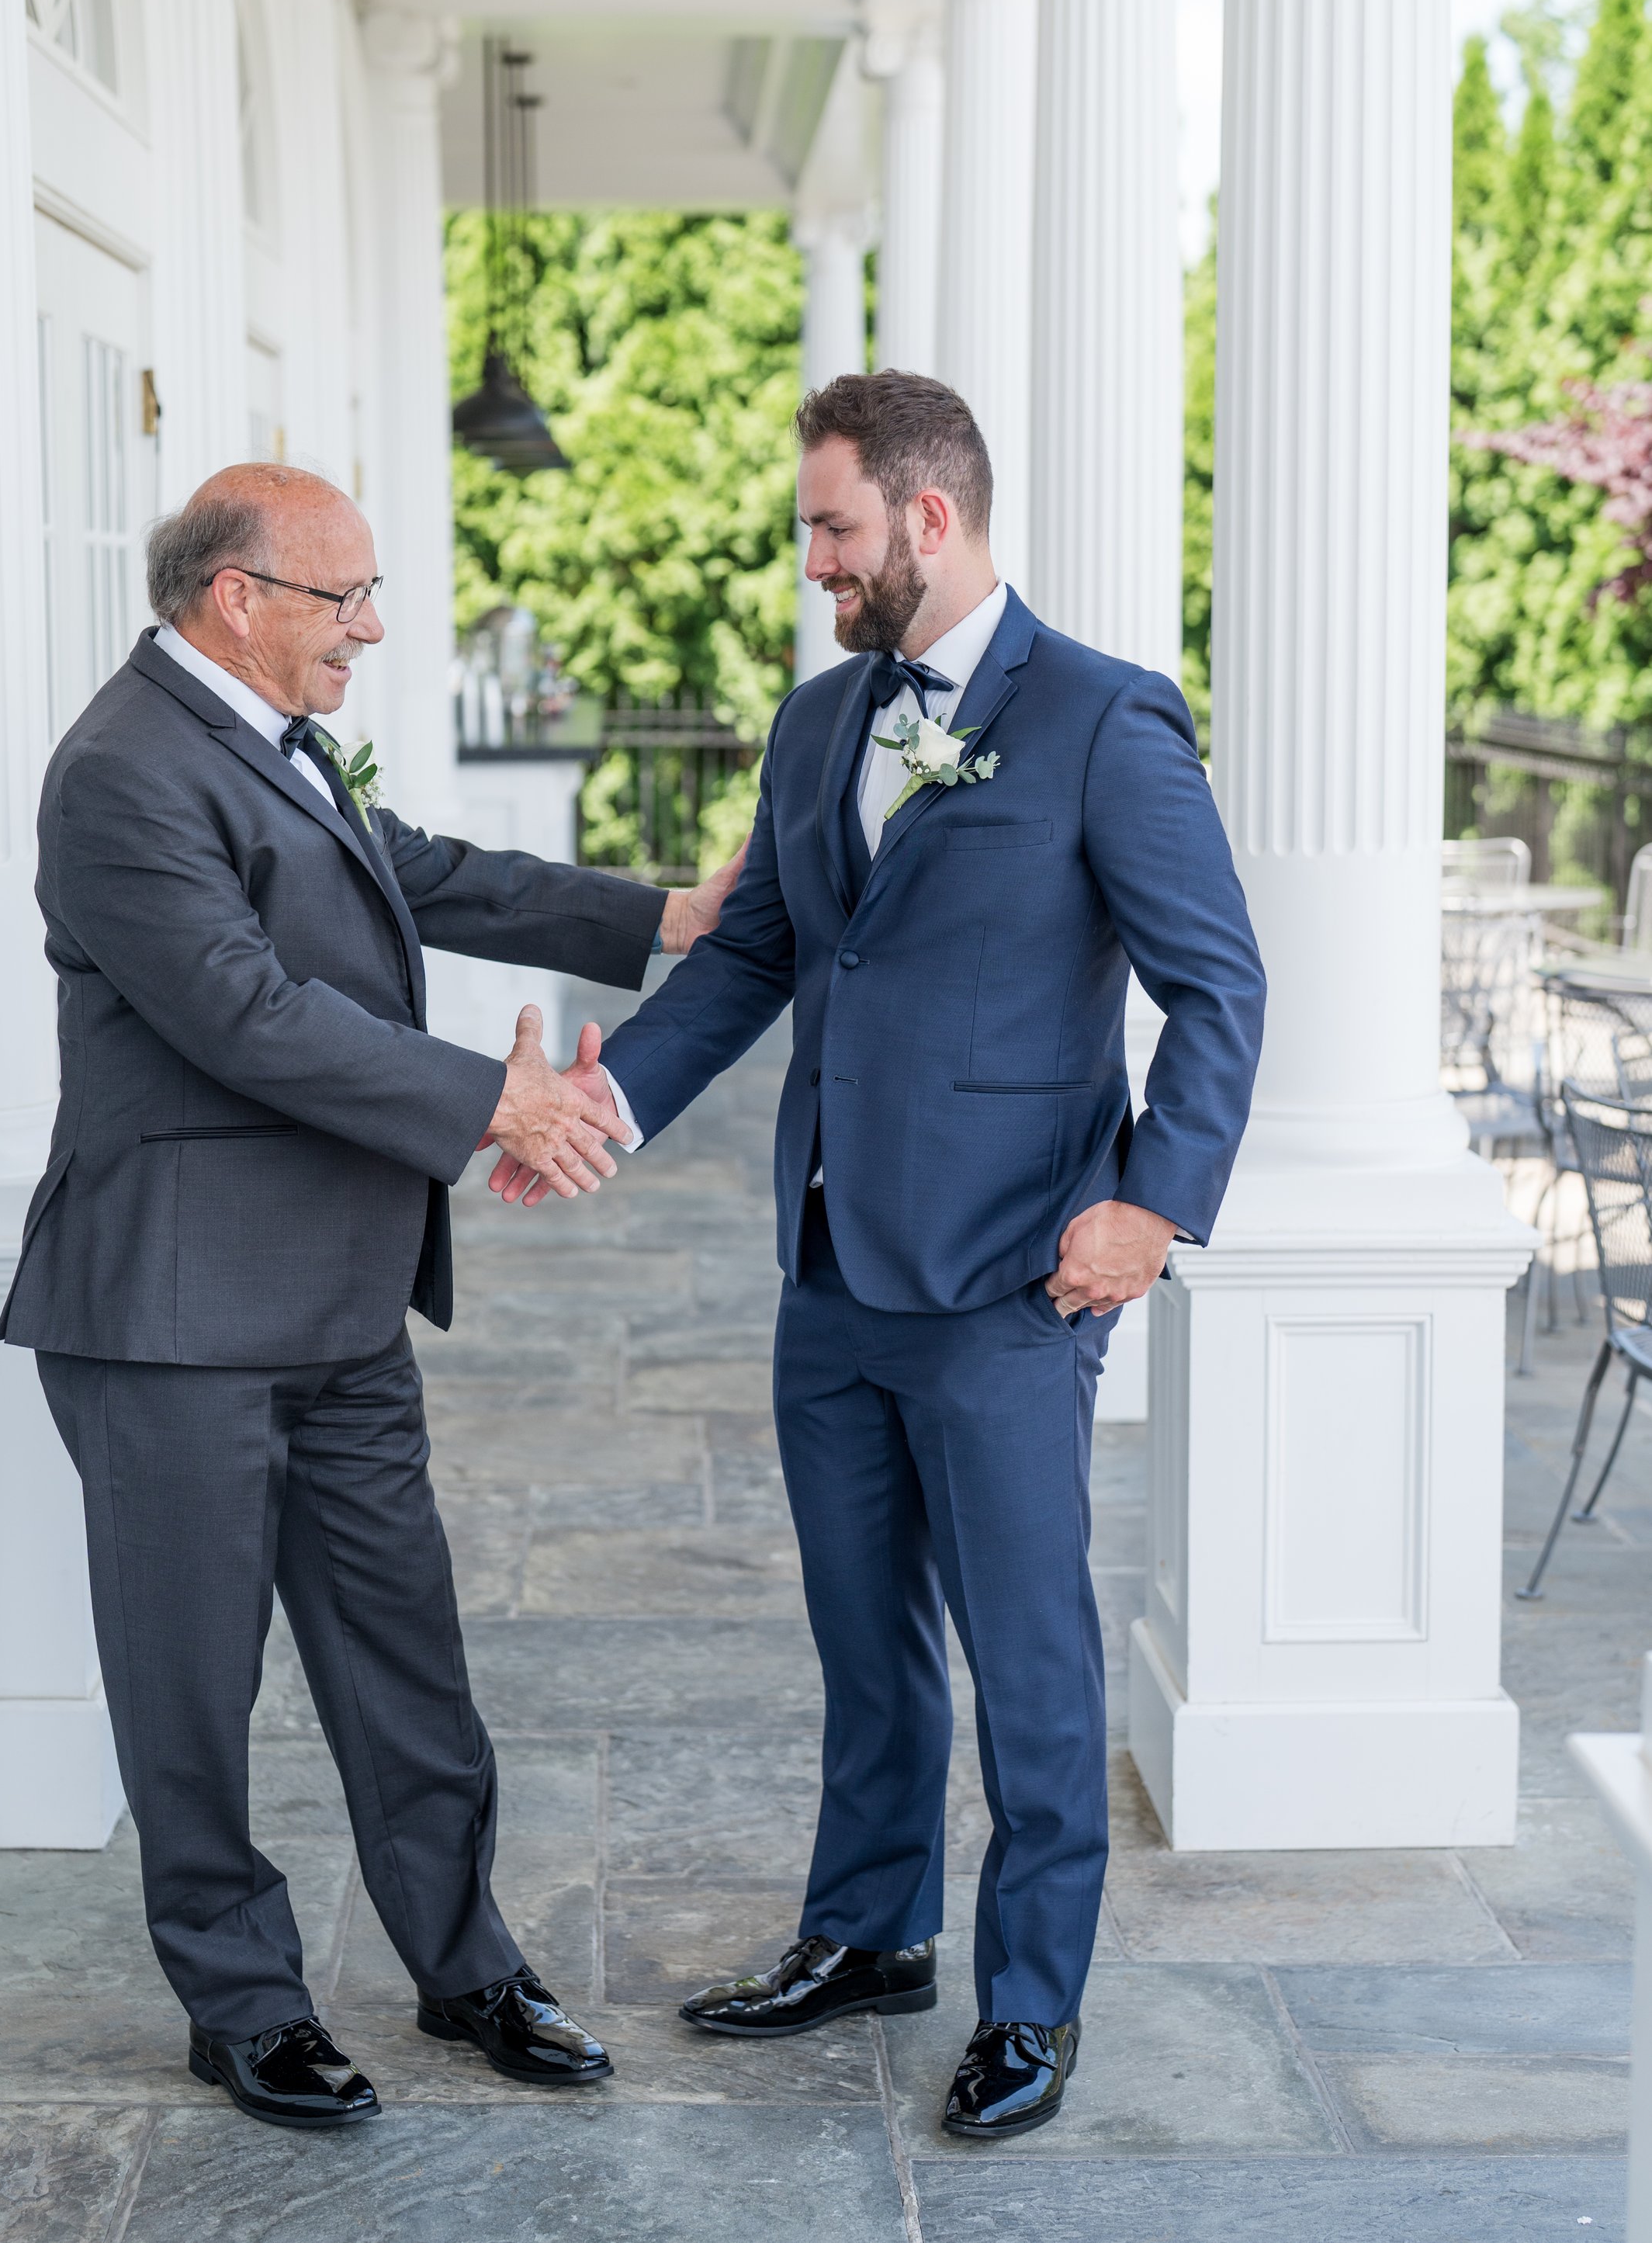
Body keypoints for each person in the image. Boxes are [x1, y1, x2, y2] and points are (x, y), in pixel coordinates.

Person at [489, 373, 1266, 2139]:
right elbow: (756, 953)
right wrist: (597, 1117)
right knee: (865, 1639)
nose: (812, 564)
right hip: (831, 1266)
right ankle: (866, 1934)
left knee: (1028, 1654)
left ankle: (1032, 2008)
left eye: (832, 529)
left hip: (1008, 1278)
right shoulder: (815, 721)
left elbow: (1218, 984)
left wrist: (1151, 1203)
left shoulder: (1099, 718)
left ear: (928, 517)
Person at [0, 463, 742, 2130]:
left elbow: (405, 866)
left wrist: (661, 914)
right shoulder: (118, 772)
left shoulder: (262, 733)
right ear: (234, 597)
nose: (375, 628)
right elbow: (244, 1010)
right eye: (347, 600)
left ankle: (465, 1964)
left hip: (334, 1302)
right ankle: (241, 2000)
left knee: (407, 1659)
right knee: (189, 1685)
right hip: (171, 1320)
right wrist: (495, 1099)